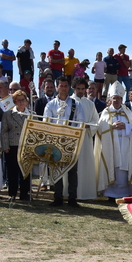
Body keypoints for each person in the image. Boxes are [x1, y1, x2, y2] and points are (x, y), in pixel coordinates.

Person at [43, 76, 85, 206]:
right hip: (55, 141)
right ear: (57, 87)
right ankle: (58, 197)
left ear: (69, 87)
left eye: (65, 86)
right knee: (56, 170)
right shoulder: (50, 105)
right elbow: (46, 122)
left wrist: (71, 136)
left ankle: (72, 198)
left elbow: (80, 122)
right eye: (61, 86)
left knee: (72, 171)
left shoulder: (76, 104)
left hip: (71, 141)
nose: (63, 88)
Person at [96, 81, 132, 199]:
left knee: (123, 168)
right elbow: (100, 129)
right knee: (112, 165)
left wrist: (126, 126)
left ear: (122, 98)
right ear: (110, 99)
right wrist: (111, 127)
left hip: (125, 146)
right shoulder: (106, 112)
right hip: (111, 145)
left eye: (119, 98)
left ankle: (123, 193)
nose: (116, 100)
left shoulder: (127, 112)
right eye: (114, 98)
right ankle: (110, 194)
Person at [1, 90, 32, 201]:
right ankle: (12, 193)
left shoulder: (31, 114)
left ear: (26, 101)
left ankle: (24, 193)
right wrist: (5, 146)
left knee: (25, 171)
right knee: (12, 171)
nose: (21, 102)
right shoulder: (8, 114)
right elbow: (4, 131)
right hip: (12, 145)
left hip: (26, 146)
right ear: (14, 102)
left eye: (23, 100)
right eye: (18, 100)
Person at [72, 78, 99, 201]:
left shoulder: (90, 104)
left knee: (85, 166)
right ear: (74, 88)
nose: (81, 91)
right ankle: (70, 193)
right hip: (72, 139)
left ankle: (85, 193)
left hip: (86, 139)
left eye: (83, 89)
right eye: (78, 89)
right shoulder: (69, 102)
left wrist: (88, 125)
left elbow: (95, 121)